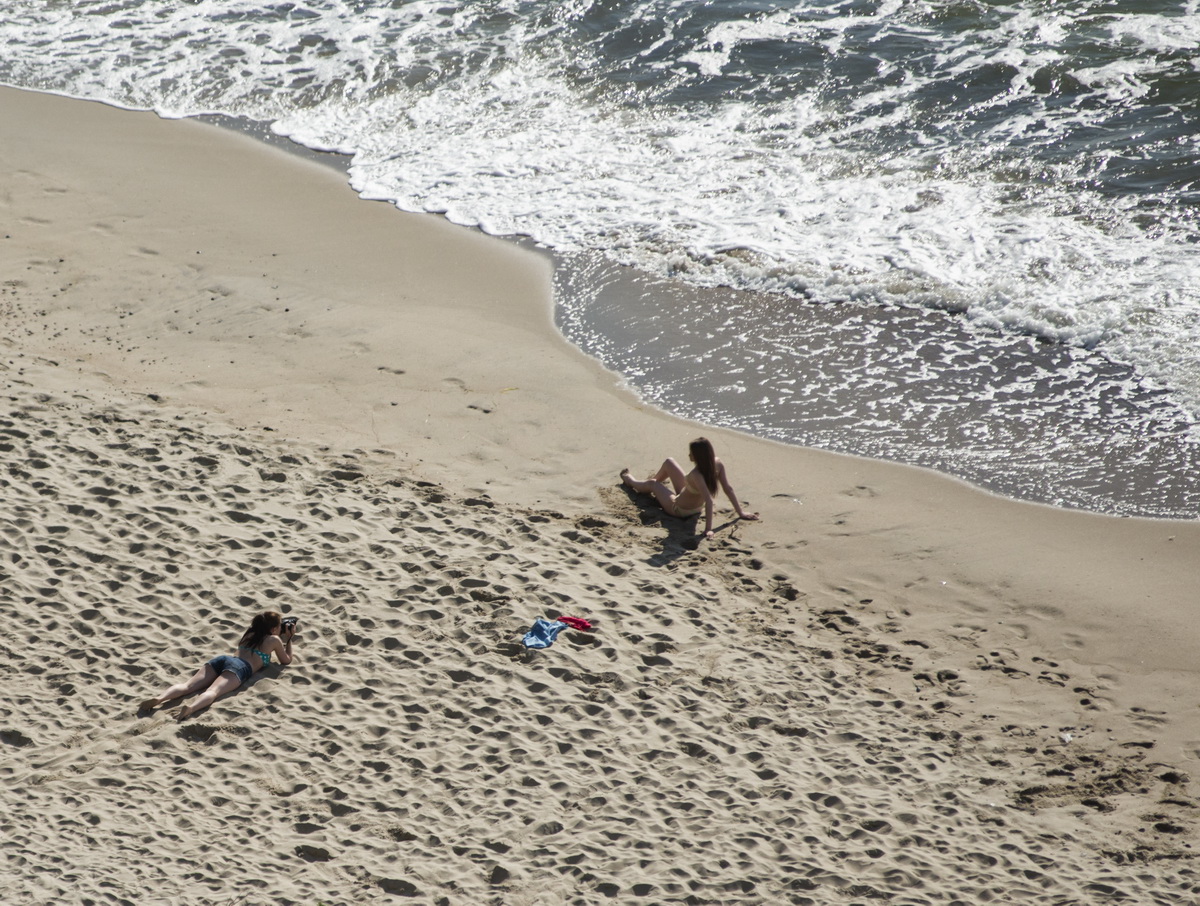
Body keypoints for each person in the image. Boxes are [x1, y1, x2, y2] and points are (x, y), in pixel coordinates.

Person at [138, 610, 297, 720]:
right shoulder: (274, 640)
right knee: (213, 691)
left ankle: (160, 698)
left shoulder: (250, 633)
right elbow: (286, 660)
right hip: (240, 668)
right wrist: (289, 639)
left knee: (187, 686)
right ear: (274, 628)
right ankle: (191, 708)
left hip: (223, 659)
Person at [621, 437, 760, 540]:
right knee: (669, 462)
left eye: (691, 453)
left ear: (697, 456)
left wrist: (708, 530)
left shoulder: (696, 475)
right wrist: (740, 512)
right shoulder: (717, 463)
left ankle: (630, 480)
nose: (688, 455)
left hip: (679, 509)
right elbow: (728, 489)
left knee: (652, 483)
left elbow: (709, 500)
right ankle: (652, 484)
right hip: (688, 497)